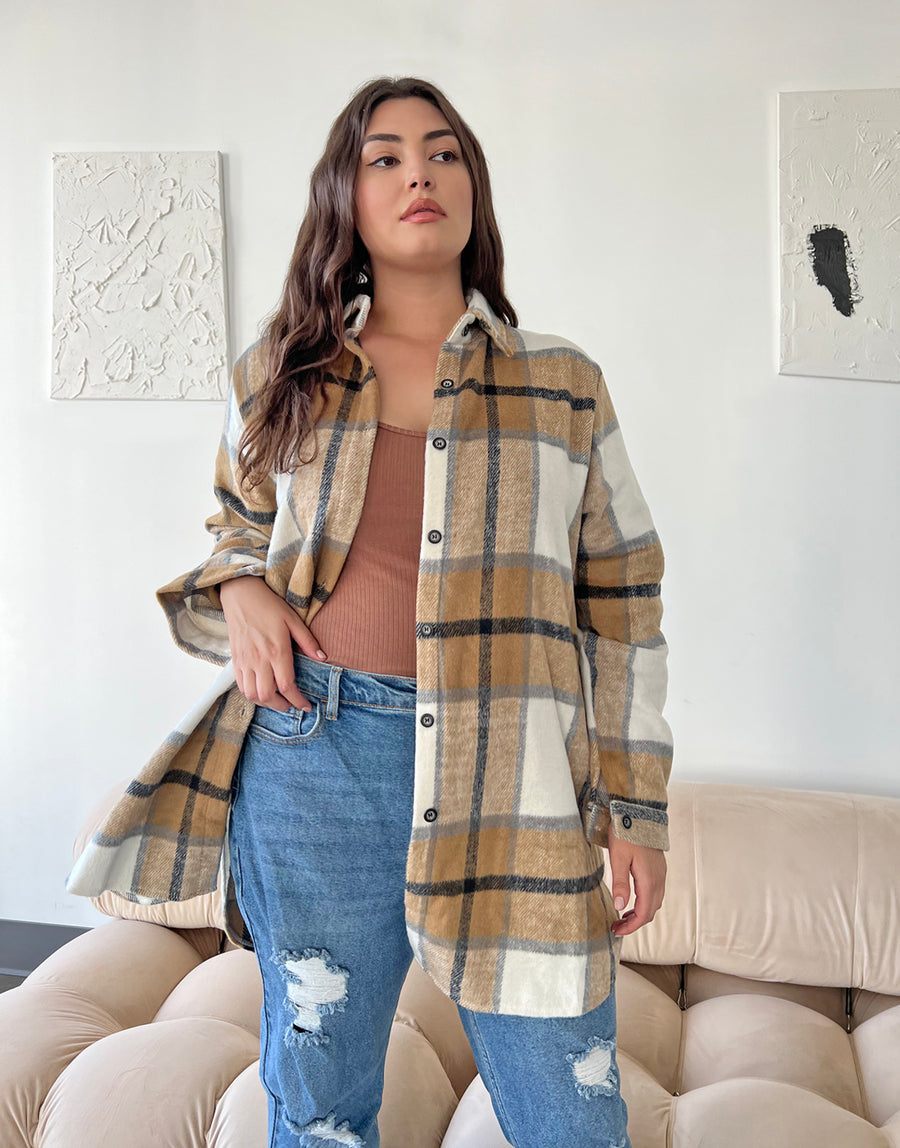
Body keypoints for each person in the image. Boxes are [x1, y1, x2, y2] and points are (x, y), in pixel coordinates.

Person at [67, 75, 673, 1148]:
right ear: (345, 196)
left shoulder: (562, 385)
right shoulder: (283, 372)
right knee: (321, 1110)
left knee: (573, 1119)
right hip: (315, 759)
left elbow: (623, 600)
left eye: (442, 153)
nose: (417, 174)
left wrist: (637, 809)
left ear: (473, 188)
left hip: (515, 778)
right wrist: (241, 588)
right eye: (383, 157)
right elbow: (235, 527)